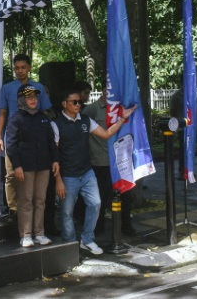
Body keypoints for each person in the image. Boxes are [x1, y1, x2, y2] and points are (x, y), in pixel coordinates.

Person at [53, 87, 136, 255]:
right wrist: (58, 179)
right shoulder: (56, 124)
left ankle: (87, 239)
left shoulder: (85, 120)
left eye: (80, 102)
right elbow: (54, 154)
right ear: (64, 104)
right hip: (68, 174)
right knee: (67, 211)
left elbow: (105, 134)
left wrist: (122, 119)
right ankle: (69, 244)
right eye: (74, 102)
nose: (78, 105)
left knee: (96, 203)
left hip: (86, 172)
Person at [0, 54, 53, 218]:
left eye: (23, 67)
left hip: (35, 137)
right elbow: (3, 112)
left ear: (29, 68)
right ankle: (13, 209)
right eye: (17, 68)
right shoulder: (7, 88)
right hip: (13, 137)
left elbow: (44, 112)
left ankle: (31, 207)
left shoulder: (39, 87)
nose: (20, 71)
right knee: (11, 174)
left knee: (33, 173)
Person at [5, 85, 59, 248]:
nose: (33, 100)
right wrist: (17, 166)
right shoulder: (16, 119)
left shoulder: (43, 118)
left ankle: (39, 233)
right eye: (29, 97)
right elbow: (11, 145)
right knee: (26, 200)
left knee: (40, 200)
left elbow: (51, 141)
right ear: (21, 100)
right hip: (25, 167)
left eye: (35, 97)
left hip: (43, 166)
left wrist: (55, 160)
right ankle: (26, 235)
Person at [83, 89, 135, 237]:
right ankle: (98, 227)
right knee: (102, 196)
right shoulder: (92, 108)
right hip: (101, 160)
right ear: (104, 90)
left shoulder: (121, 107)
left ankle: (126, 225)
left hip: (120, 160)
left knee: (125, 194)